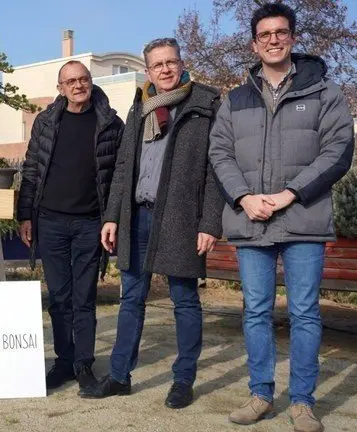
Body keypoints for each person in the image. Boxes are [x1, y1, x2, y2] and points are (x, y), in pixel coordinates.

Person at [208, 3, 354, 431]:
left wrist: (291, 193)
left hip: (303, 220)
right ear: (255, 43)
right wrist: (243, 196)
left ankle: (303, 401)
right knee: (255, 311)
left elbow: (338, 150)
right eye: (265, 34)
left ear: (292, 37)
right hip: (251, 220)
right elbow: (219, 153)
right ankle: (260, 395)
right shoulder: (235, 99)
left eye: (281, 32)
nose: (273, 40)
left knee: (305, 312)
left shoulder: (324, 92)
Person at [79, 38, 223, 409]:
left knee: (184, 301)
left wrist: (209, 223)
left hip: (179, 218)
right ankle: (119, 376)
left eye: (171, 62)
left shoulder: (205, 104)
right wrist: (112, 216)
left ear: (181, 63)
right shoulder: (139, 106)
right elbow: (124, 167)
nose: (165, 70)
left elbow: (215, 172)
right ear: (148, 71)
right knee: (132, 300)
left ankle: (182, 380)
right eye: (157, 65)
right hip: (136, 217)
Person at [17, 60, 124, 393]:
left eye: (84, 79)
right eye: (71, 81)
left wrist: (112, 218)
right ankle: (63, 362)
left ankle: (83, 364)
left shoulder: (110, 123)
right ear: (60, 87)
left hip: (90, 223)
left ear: (91, 82)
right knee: (59, 298)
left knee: (84, 298)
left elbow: (117, 177)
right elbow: (31, 169)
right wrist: (25, 215)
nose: (79, 85)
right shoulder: (46, 122)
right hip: (50, 221)